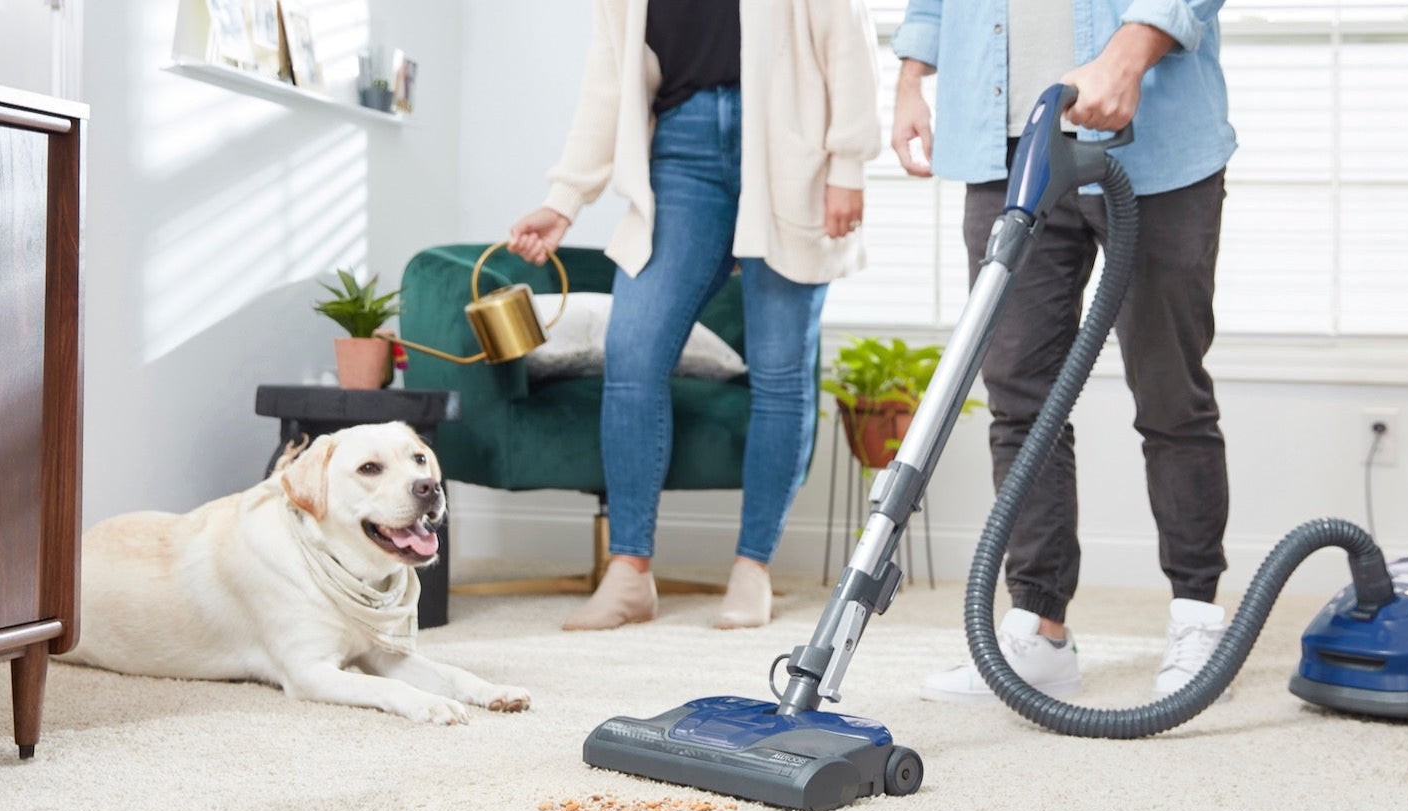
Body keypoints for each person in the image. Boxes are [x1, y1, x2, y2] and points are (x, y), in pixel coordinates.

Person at [891, 0, 1237, 701]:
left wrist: (1127, 54)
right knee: (1019, 400)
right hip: (1004, 146)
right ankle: (1038, 628)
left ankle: (1197, 616)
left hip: (1152, 139)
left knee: (1169, 391)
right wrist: (908, 79)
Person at [507, 0, 881, 631]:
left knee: (779, 366)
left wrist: (848, 164)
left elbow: (845, 34)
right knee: (633, 351)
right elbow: (610, 77)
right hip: (680, 150)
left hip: (792, 146)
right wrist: (564, 198)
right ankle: (629, 572)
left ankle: (752, 569)